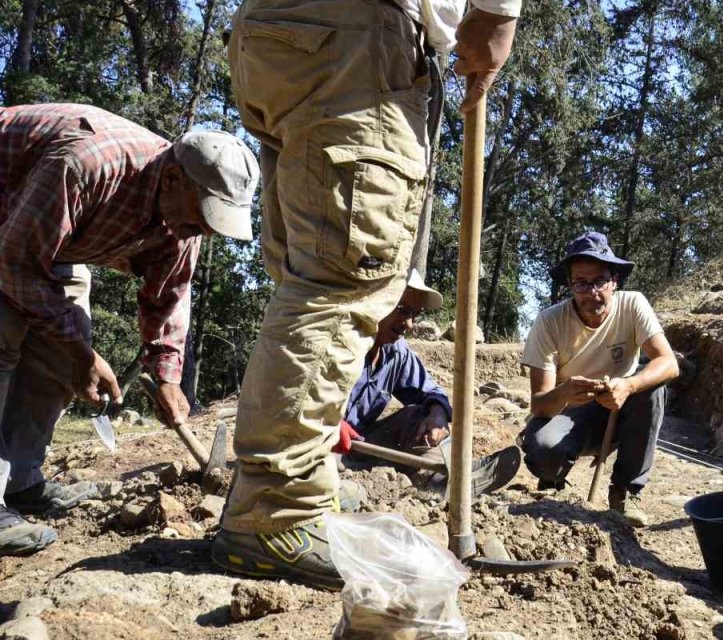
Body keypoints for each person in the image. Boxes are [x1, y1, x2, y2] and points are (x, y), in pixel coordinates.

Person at [215, 0, 522, 589]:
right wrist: (496, 16)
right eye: (405, 312)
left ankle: (283, 496)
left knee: (310, 272)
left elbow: (428, 395)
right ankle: (274, 513)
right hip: (355, 35)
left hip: (277, 35)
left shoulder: (400, 357)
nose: (403, 322)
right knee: (346, 274)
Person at [0, 103, 257, 557]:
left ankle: (20, 478)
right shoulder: (86, 165)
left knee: (64, 338)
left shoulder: (185, 221)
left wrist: (167, 376)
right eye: (202, 214)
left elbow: (169, 298)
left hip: (47, 225)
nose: (200, 229)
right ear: (173, 178)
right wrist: (81, 354)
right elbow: (11, 262)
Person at [520, 232, 679, 528]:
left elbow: (669, 363)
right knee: (543, 452)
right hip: (571, 412)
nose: (592, 292)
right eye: (581, 283)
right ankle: (553, 477)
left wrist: (628, 385)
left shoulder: (633, 305)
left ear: (614, 281)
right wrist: (566, 392)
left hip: (622, 410)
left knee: (652, 388)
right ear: (570, 285)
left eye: (600, 281)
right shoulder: (549, 321)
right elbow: (540, 405)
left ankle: (625, 491)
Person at [335, 269, 520, 494]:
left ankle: (443, 479)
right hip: (314, 444)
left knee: (421, 414)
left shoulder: (396, 352)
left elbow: (431, 392)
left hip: (358, 444)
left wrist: (437, 415)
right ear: (378, 299)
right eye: (402, 310)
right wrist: (327, 421)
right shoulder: (340, 341)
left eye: (415, 314)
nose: (409, 324)